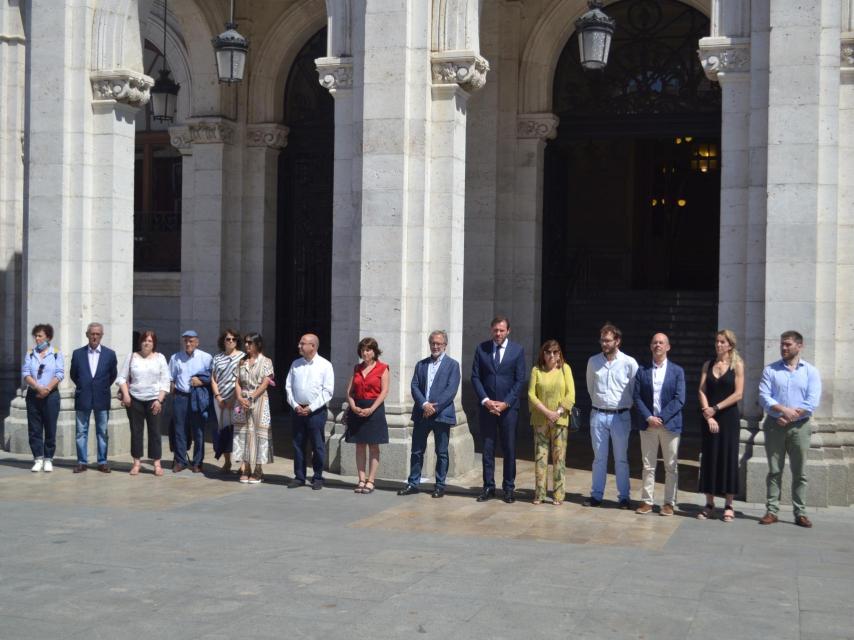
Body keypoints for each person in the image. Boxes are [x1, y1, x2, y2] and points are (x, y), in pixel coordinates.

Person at [758, 330, 822, 528]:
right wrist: (783, 411)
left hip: (800, 427)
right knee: (774, 470)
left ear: (799, 346)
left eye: (788, 344)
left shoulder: (810, 371)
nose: (783, 348)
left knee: (800, 471)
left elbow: (812, 401)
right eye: (782, 344)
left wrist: (792, 416)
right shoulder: (771, 370)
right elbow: (764, 397)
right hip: (775, 426)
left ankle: (800, 512)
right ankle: (772, 511)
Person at [398, 330, 461, 499]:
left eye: (438, 343)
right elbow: (414, 386)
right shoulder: (421, 364)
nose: (435, 346)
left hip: (441, 415)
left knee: (441, 452)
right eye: (433, 343)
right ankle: (413, 483)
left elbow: (451, 390)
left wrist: (435, 407)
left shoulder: (453, 365)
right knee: (417, 450)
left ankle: (440, 485)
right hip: (422, 414)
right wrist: (424, 404)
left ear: (445, 345)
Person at [471, 315, 527, 503]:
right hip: (487, 408)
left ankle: (509, 488)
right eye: (495, 330)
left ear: (508, 331)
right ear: (491, 330)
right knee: (487, 448)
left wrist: (506, 403)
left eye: (502, 330)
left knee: (509, 448)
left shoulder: (517, 351)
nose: (498, 333)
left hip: (508, 409)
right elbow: (476, 377)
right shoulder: (482, 349)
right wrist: (486, 401)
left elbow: (520, 380)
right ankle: (488, 487)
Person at [584, 322, 639, 508]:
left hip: (620, 416)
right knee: (599, 458)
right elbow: (590, 388)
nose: (604, 344)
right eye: (602, 340)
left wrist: (623, 406)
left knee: (621, 458)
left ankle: (624, 497)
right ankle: (597, 495)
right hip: (598, 414)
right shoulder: (593, 361)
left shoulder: (629, 363)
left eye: (608, 340)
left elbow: (633, 389)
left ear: (617, 341)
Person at [632, 333, 685, 516]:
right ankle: (647, 501)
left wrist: (661, 417)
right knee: (648, 465)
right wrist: (649, 417)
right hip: (648, 425)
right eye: (655, 342)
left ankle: (669, 503)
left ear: (668, 347)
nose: (658, 345)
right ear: (650, 346)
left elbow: (680, 399)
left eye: (661, 342)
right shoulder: (642, 370)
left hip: (669, 425)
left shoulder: (677, 371)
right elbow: (636, 397)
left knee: (671, 465)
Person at [697, 329, 744, 522]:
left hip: (728, 418)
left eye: (723, 342)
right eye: (717, 341)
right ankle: (709, 503)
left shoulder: (738, 365)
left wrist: (716, 408)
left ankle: (729, 504)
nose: (718, 345)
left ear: (730, 345)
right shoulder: (708, 365)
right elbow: (701, 390)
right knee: (710, 457)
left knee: (727, 457)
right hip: (710, 418)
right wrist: (708, 413)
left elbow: (738, 394)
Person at [527, 339, 575, 505]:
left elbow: (571, 394)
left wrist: (558, 412)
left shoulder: (565, 369)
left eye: (555, 352)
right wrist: (547, 412)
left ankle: (558, 495)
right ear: (543, 354)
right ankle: (539, 494)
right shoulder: (536, 370)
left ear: (559, 354)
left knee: (559, 458)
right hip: (541, 419)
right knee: (540, 457)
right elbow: (531, 394)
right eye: (548, 352)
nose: (552, 356)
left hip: (560, 420)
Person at [117, 330, 170, 476]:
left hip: (154, 400)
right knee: (136, 431)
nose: (147, 343)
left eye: (150, 341)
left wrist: (159, 400)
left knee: (155, 432)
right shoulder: (132, 357)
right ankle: (136, 463)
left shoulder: (160, 358)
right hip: (135, 400)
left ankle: (157, 464)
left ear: (154, 344)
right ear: (140, 342)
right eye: (144, 340)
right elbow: (121, 378)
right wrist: (126, 395)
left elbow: (165, 381)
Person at [286, 334, 334, 490]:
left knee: (317, 445)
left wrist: (311, 408)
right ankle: (299, 476)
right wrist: (295, 405)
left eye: (302, 343)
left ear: (313, 346)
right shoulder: (295, 364)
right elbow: (288, 387)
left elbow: (327, 391)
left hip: (316, 412)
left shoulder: (325, 365)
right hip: (298, 410)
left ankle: (318, 476)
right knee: (298, 443)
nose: (299, 346)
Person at [70, 323, 118, 473]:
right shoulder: (77, 354)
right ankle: (81, 462)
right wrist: (85, 386)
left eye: (98, 334)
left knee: (102, 432)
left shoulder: (110, 354)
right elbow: (73, 374)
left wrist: (100, 386)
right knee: (81, 432)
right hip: (83, 397)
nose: (95, 336)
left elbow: (113, 375)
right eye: (92, 334)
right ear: (87, 335)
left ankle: (102, 461)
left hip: (101, 397)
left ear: (101, 336)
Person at [345, 337, 390, 494]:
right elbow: (349, 392)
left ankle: (371, 480)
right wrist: (353, 406)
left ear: (374, 351)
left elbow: (384, 391)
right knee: (359, 445)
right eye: (363, 350)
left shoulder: (383, 368)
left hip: (374, 409)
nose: (365, 353)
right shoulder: (357, 368)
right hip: (357, 408)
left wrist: (371, 409)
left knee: (373, 445)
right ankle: (361, 479)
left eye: (368, 350)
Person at [21, 324, 64, 472]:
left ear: (48, 337)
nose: (37, 339)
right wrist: (38, 387)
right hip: (34, 394)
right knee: (34, 428)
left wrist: (47, 389)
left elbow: (60, 373)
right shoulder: (30, 353)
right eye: (36, 336)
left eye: (40, 336)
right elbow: (26, 373)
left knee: (50, 427)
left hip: (51, 395)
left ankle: (48, 458)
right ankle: (38, 458)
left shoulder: (56, 353)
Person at [168, 330, 213, 473]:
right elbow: (171, 378)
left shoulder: (206, 357)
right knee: (179, 430)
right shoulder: (175, 357)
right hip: (181, 397)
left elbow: (212, 377)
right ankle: (180, 461)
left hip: (197, 397)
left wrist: (201, 381)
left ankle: (198, 462)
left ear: (197, 342)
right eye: (186, 340)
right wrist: (174, 395)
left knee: (198, 431)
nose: (188, 343)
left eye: (191, 340)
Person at [233, 332, 275, 484]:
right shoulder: (242, 361)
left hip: (259, 400)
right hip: (243, 400)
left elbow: (265, 382)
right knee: (244, 433)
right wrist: (239, 397)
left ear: (257, 344)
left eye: (250, 343)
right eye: (245, 342)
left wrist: (252, 397)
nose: (246, 345)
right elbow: (237, 382)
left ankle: (258, 469)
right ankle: (246, 467)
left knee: (258, 433)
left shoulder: (266, 361)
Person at [210, 329, 245, 474]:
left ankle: (243, 465)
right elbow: (213, 378)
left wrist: (233, 399)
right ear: (223, 341)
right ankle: (227, 462)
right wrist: (218, 397)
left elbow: (243, 379)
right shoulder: (217, 357)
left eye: (234, 339)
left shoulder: (243, 357)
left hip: (236, 400)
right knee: (223, 429)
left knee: (239, 430)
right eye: (228, 339)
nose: (231, 341)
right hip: (220, 400)